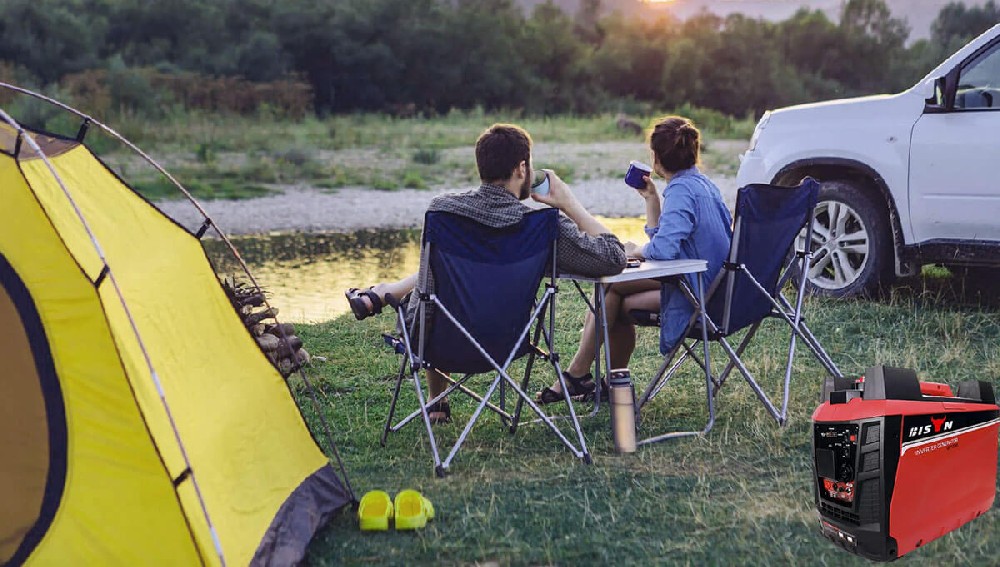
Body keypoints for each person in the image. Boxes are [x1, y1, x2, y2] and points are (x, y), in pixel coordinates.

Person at [345, 123, 627, 422]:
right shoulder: (543, 226)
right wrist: (569, 203)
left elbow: (428, 286)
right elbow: (613, 258)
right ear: (521, 169)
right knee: (433, 282)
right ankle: (386, 297)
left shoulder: (443, 211)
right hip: (506, 341)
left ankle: (436, 400)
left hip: (437, 343)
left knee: (431, 288)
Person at [537, 116, 733, 402]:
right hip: (712, 286)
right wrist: (652, 200)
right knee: (614, 296)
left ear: (655, 158)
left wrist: (633, 251)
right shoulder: (702, 184)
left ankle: (579, 377)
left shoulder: (681, 190)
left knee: (612, 293)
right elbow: (667, 240)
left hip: (698, 294)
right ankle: (602, 382)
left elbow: (662, 251)